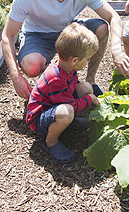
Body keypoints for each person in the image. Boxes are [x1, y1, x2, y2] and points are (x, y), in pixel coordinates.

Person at [2, 0, 129, 100]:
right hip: (37, 35)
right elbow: (8, 36)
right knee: (32, 67)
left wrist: (116, 48)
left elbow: (114, 17)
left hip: (66, 31)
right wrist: (15, 76)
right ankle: (60, 83)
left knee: (102, 28)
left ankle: (90, 82)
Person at [27, 23, 100, 163]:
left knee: (85, 87)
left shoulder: (67, 67)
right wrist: (90, 99)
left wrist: (88, 95)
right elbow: (69, 104)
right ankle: (50, 142)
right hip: (39, 118)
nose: (88, 61)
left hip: (55, 105)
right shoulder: (55, 77)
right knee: (67, 112)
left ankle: (70, 122)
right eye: (88, 59)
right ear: (75, 60)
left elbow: (69, 93)